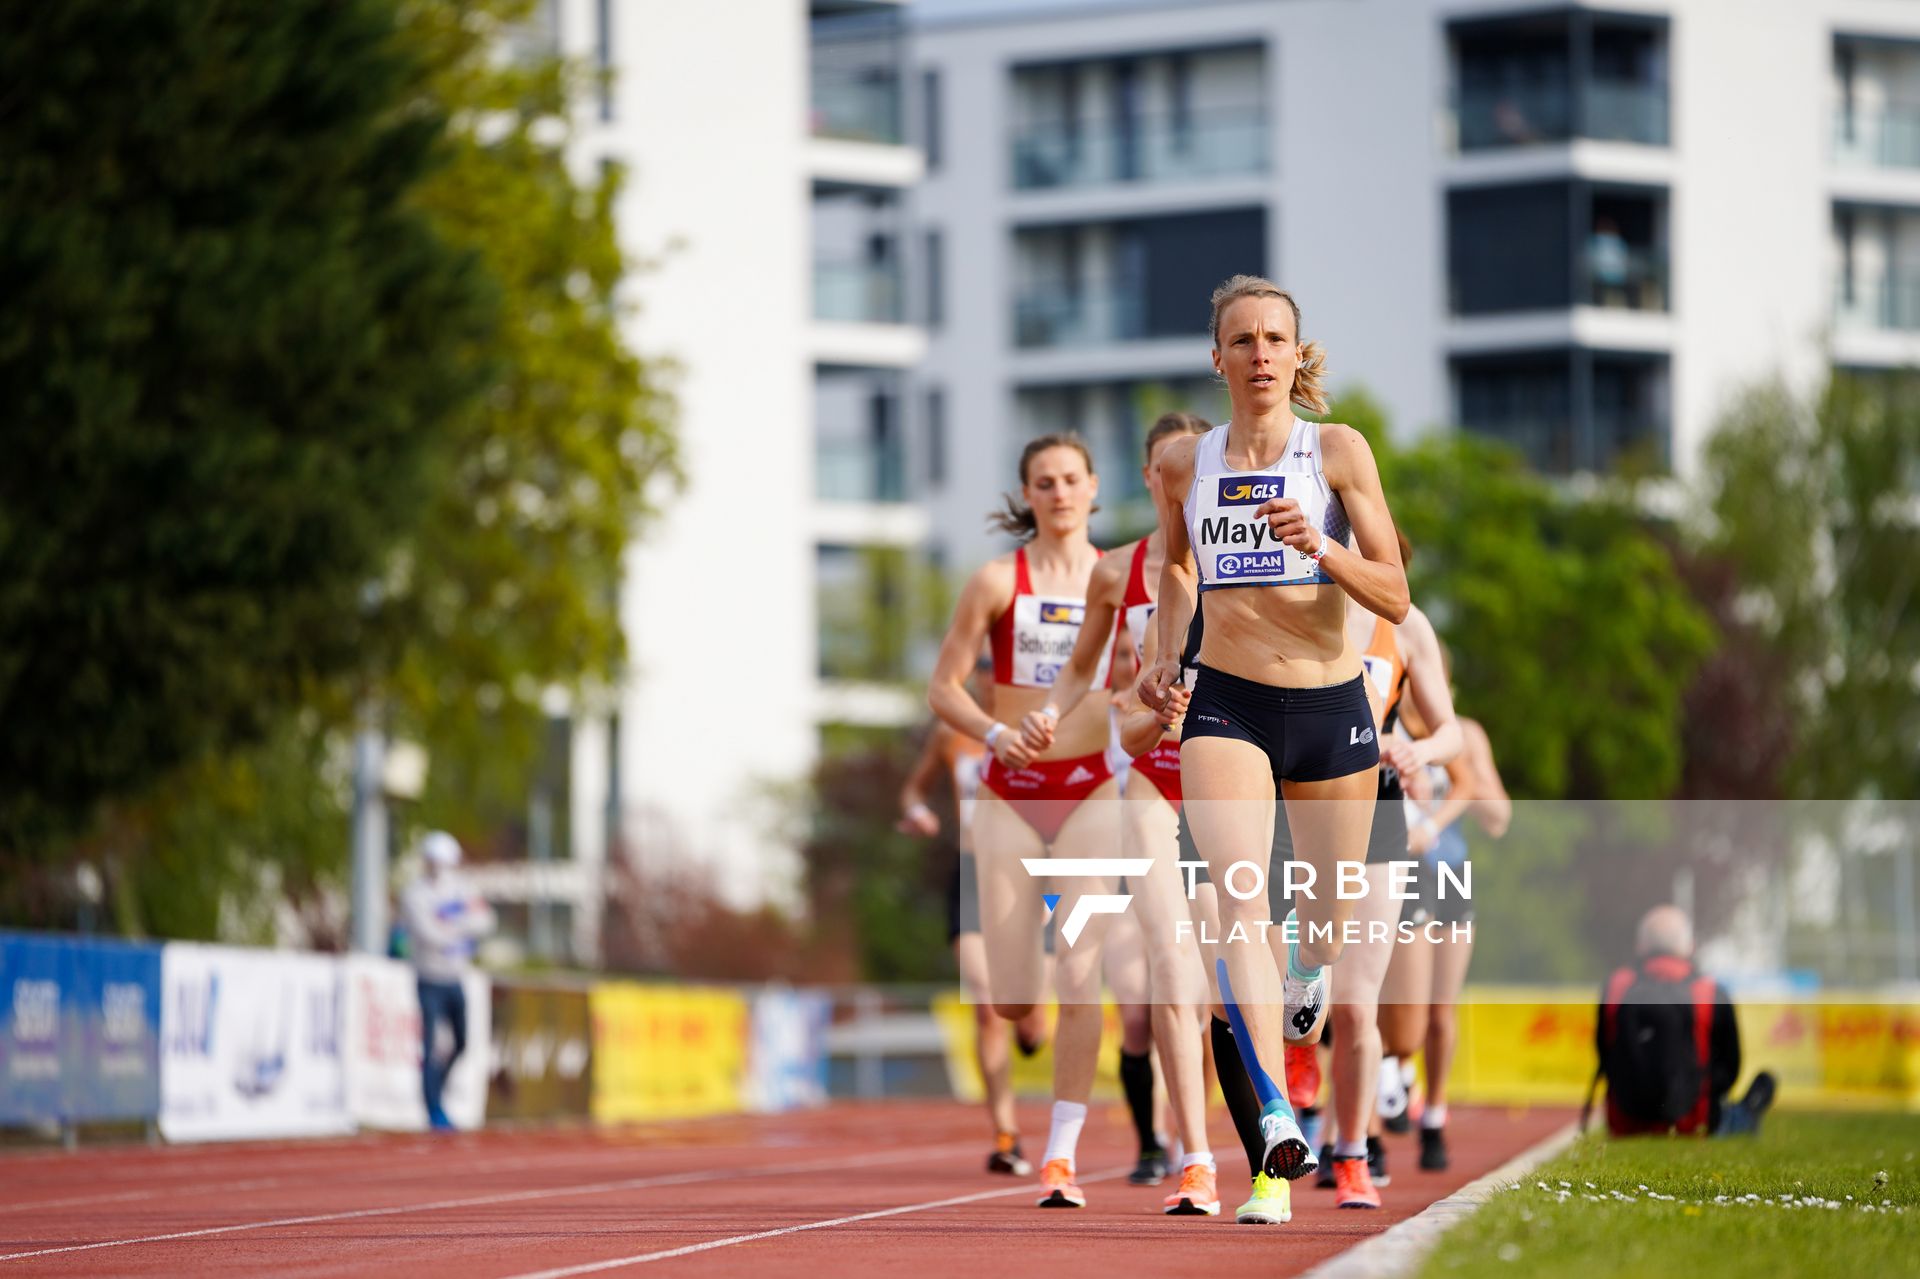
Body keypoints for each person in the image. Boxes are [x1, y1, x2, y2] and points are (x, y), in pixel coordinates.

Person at [1139, 274, 1409, 1186]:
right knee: (1238, 898)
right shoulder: (1187, 463)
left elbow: (1396, 594)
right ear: (1217, 358)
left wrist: (1320, 546)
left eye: (1275, 339)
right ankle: (1275, 1110)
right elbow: (1177, 567)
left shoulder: (1336, 451)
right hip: (1228, 704)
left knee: (1322, 926)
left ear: (1298, 356)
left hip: (1330, 707)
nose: (1260, 354)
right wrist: (1166, 653)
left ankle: (1310, 970)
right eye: (1243, 340)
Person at [1021, 411, 1220, 1213]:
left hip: (1230, 779)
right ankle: (1186, 1158)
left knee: (1231, 990)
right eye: (1168, 468)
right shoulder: (1119, 572)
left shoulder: (1241, 559)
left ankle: (1263, 1119)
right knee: (1154, 963)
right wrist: (1050, 712)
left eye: (1195, 467)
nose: (1181, 481)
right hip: (1144, 773)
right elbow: (1082, 671)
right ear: (1149, 477)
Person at [928, 433, 1121, 1210]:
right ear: (1028, 495)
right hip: (1010, 791)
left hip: (1091, 790)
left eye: (1072, 479)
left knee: (1081, 972)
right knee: (1010, 1001)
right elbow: (943, 687)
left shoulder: (1119, 579)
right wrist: (995, 733)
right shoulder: (996, 581)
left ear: (1094, 486)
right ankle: (1027, 980)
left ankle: (1060, 1154)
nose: (1060, 492)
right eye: (1045, 482)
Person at [1303, 570, 1461, 1209]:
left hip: (1379, 814)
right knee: (1302, 1000)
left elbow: (1450, 732)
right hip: (1297, 813)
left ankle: (1351, 1154)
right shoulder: (1286, 599)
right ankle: (1299, 1091)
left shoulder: (1406, 625)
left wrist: (1415, 748)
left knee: (1356, 1004)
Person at [897, 666, 1052, 1177]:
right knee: (986, 1006)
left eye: (999, 671)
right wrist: (919, 811)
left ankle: (1032, 1031)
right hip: (971, 873)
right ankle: (1006, 1135)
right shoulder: (952, 734)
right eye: (984, 671)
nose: (991, 680)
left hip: (1030, 874)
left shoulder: (1040, 726)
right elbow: (913, 790)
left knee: (1031, 1021)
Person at [1378, 709, 1509, 1172]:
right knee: (1393, 1000)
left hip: (1450, 873)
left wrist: (1454, 788)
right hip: (1402, 872)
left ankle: (1433, 1116)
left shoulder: (1464, 734)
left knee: (1440, 1009)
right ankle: (1393, 1084)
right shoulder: (1386, 719)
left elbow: (1499, 817)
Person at [1591, 905, 1776, 1138]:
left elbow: (1604, 1052)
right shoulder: (1711, 992)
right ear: (1690, 946)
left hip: (1625, 1124)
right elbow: (1730, 1069)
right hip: (1694, 1123)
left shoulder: (1615, 988)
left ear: (1640, 945)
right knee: (1762, 1089)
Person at [400, 831, 495, 1132]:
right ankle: (433, 1110)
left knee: (462, 1042)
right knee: (430, 1047)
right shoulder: (415, 894)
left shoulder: (463, 888)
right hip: (429, 979)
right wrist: (461, 930)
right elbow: (428, 934)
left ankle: (437, 1089)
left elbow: (485, 921)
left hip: (455, 978)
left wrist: (453, 927)